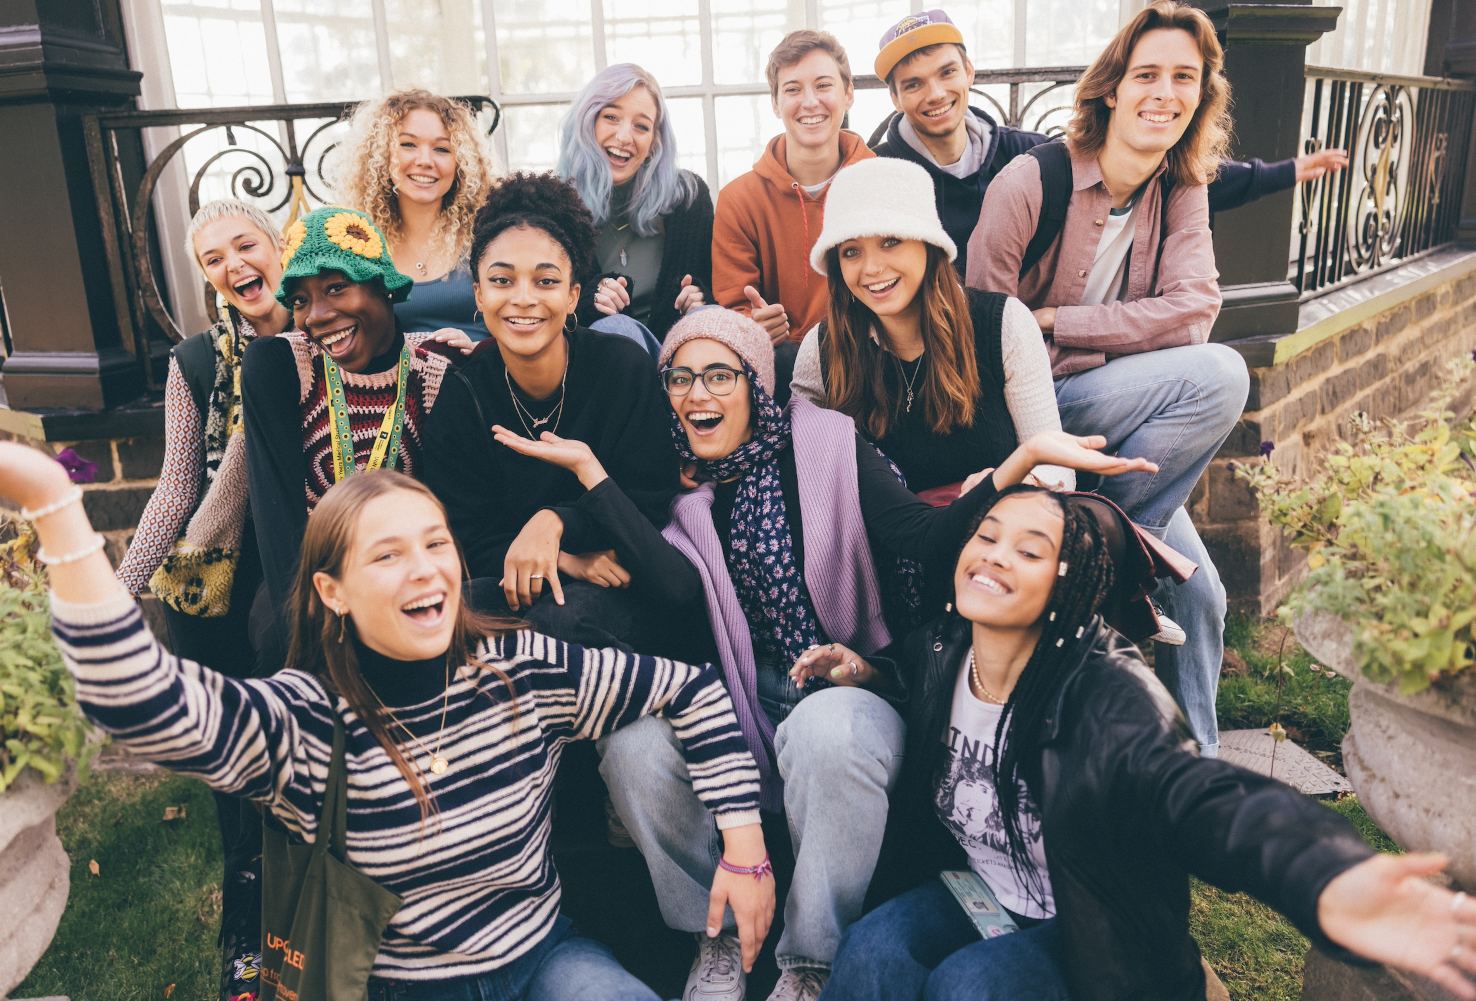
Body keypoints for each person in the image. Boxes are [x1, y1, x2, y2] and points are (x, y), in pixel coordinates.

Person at [501, 305, 1153, 1001]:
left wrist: (1021, 460)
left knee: (829, 726)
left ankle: (809, 961)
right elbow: (672, 586)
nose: (697, 394)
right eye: (680, 378)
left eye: (719, 375)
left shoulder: (826, 445)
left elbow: (925, 537)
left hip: (854, 685)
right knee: (630, 742)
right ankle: (715, 934)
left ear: (756, 383)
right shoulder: (674, 490)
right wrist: (588, 481)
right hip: (736, 703)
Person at [0, 437, 780, 1001]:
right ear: (332, 591)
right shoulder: (302, 720)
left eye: (435, 543)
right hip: (395, 984)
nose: (425, 568)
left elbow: (691, 689)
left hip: (542, 960)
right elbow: (136, 698)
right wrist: (54, 503)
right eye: (387, 554)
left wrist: (743, 843)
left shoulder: (522, 669)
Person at [818, 484, 1476, 1001]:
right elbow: (915, 678)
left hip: (1086, 917)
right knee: (870, 953)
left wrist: (1322, 873)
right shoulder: (945, 644)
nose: (993, 554)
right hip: (980, 886)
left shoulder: (1109, 694)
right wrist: (868, 672)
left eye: (1029, 550)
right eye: (986, 536)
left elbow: (1199, 794)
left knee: (972, 986)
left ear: (1066, 583)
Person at [966, 1, 1250, 756]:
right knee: (1222, 376)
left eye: (1184, 77)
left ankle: (1196, 766)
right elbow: (981, 332)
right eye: (1147, 74)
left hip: (1122, 410)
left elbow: (1195, 312)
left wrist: (1061, 320)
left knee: (1203, 595)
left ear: (1202, 95)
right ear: (1112, 89)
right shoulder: (1032, 181)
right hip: (1034, 412)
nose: (1165, 93)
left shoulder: (1181, 186)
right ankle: (1112, 556)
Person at [113, 197, 291, 1001]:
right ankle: (246, 943)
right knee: (236, 768)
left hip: (297, 568)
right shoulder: (194, 362)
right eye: (212, 259)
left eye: (243, 245)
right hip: (213, 581)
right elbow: (176, 486)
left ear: (277, 245)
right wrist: (115, 597)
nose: (232, 265)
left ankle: (319, 922)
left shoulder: (333, 331)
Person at [869, 10, 1349, 275]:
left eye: (947, 72)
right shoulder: (880, 174)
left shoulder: (1024, 156)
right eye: (913, 84)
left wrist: (1283, 172)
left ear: (969, 72)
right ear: (894, 97)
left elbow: (1155, 170)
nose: (936, 93)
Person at [421, 173, 681, 653]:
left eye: (546, 281)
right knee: (451, 611)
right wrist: (561, 559)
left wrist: (558, 521)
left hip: (618, 579)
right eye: (502, 280)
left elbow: (648, 504)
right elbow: (460, 534)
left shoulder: (621, 369)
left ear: (572, 295)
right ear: (479, 295)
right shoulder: (464, 393)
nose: (523, 298)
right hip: (515, 577)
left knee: (560, 621)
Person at [242, 205, 468, 664]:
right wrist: (307, 635)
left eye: (336, 288)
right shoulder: (282, 366)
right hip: (312, 572)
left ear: (383, 286)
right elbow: (277, 516)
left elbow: (452, 518)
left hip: (408, 566)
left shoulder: (433, 375)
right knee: (275, 636)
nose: (316, 315)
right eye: (300, 300)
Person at [789, 156, 1073, 497]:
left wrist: (1013, 484)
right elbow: (802, 472)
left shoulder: (1005, 324)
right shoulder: (822, 347)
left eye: (891, 241)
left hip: (996, 519)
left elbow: (1056, 465)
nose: (872, 268)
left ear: (929, 244)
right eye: (851, 252)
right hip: (886, 529)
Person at [712, 30, 875, 399]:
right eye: (793, 89)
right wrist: (752, 325)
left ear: (848, 94)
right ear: (775, 103)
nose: (810, 102)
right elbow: (734, 307)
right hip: (782, 364)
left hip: (871, 354)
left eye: (823, 85)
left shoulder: (882, 181)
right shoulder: (738, 199)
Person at [558, 63, 714, 353]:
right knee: (617, 329)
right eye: (611, 117)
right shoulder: (555, 205)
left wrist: (701, 299)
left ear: (654, 142)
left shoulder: (688, 198)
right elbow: (547, 311)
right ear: (588, 122)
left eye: (641, 126)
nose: (624, 137)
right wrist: (589, 303)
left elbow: (717, 291)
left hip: (679, 358)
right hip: (600, 360)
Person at [334, 88, 496, 340]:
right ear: (381, 154)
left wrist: (479, 350)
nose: (425, 160)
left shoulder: (488, 233)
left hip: (485, 363)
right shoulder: (357, 242)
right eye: (408, 144)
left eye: (442, 149)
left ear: (462, 162)